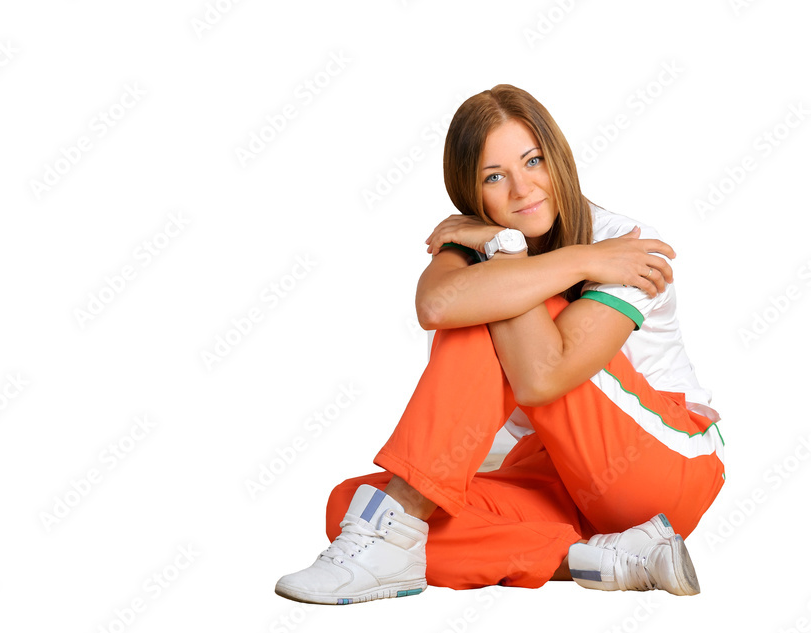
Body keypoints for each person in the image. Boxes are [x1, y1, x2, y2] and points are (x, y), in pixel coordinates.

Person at [274, 84, 725, 605]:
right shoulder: (487, 247)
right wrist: (532, 253)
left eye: (533, 161)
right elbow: (436, 306)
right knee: (351, 504)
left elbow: (543, 376)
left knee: (493, 312)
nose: (522, 189)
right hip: (556, 482)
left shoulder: (622, 245)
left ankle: (397, 520)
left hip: (666, 467)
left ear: (557, 159)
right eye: (494, 176)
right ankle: (612, 558)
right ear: (472, 196)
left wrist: (527, 260)